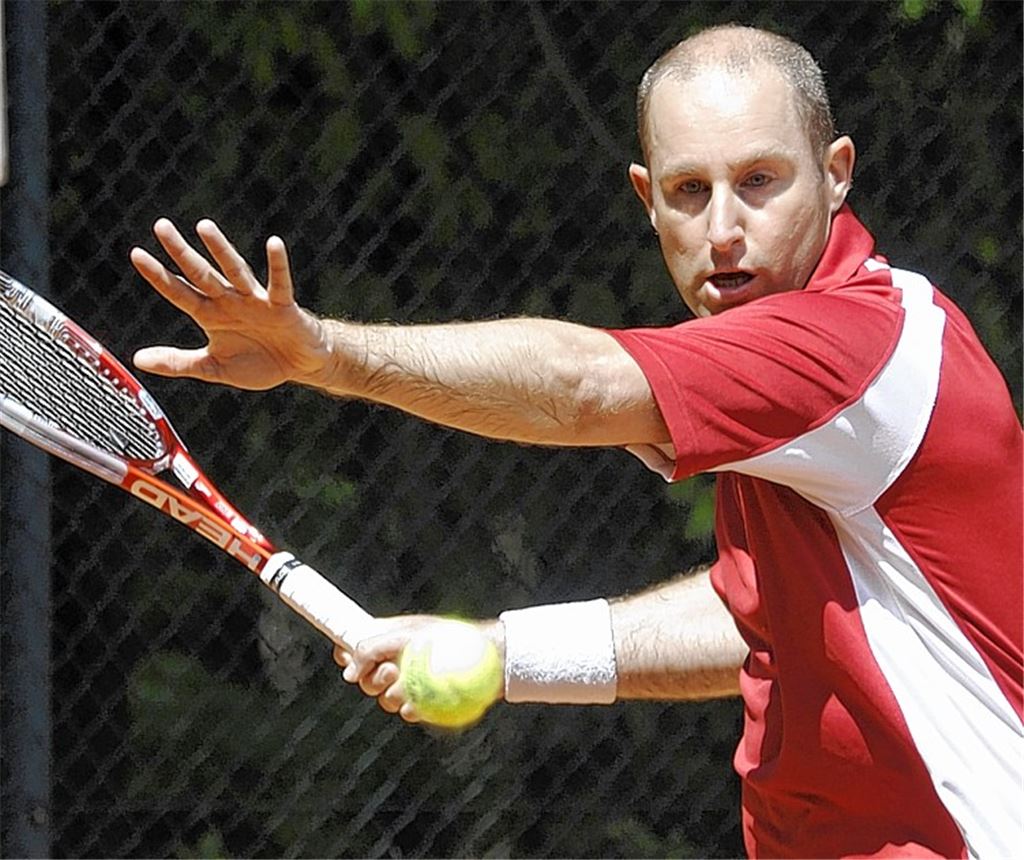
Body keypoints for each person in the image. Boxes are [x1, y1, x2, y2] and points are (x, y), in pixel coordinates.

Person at [129, 24, 1022, 859]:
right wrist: (499, 652)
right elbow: (757, 618)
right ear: (647, 199)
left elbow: (579, 383)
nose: (722, 230)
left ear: (836, 175)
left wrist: (326, 354)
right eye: (689, 191)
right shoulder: (806, 414)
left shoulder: (849, 344)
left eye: (760, 181)